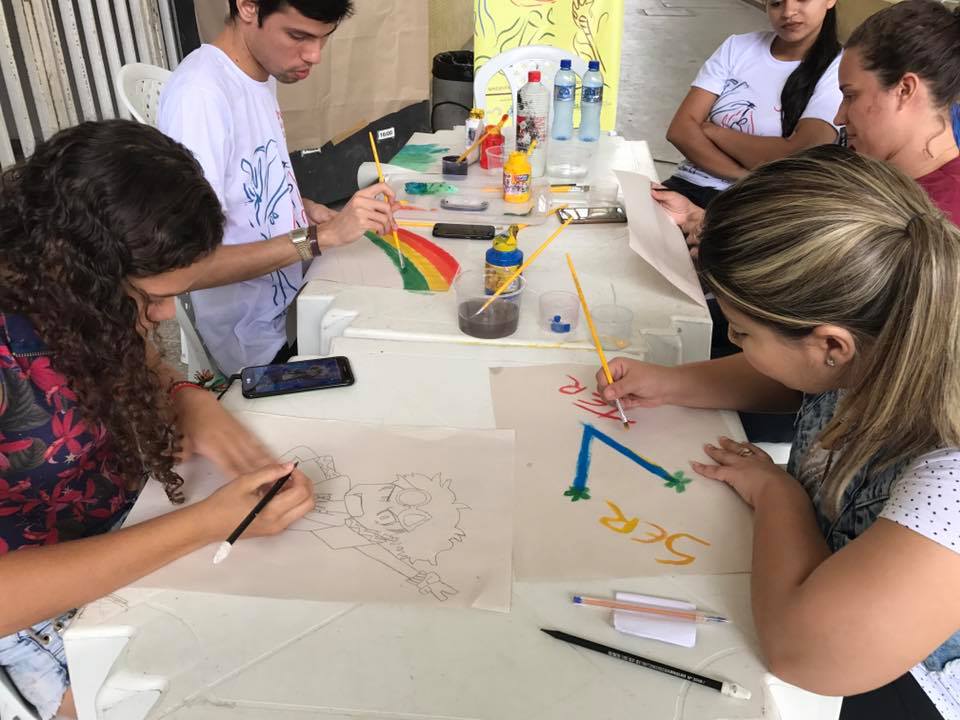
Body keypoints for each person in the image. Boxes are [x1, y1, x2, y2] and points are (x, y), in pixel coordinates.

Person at [601, 146, 960, 720]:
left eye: (741, 332)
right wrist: (670, 383)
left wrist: (777, 493)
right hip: (828, 579)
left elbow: (809, 656)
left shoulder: (950, 478)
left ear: (831, 344)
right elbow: (802, 379)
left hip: (908, 674)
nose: (735, 343)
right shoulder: (886, 330)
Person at [0, 120, 315, 720]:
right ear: (79, 272)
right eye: (151, 299)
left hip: (129, 523)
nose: (167, 316)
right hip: (34, 602)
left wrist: (184, 394)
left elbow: (134, 351)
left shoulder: (77, 300)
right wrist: (203, 525)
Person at [159, 0, 399, 376]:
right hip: (257, 347)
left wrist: (300, 205)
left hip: (296, 299)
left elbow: (243, 184)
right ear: (248, 7)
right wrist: (318, 237)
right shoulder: (200, 98)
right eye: (298, 36)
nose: (314, 55)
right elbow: (185, 267)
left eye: (324, 38)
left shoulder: (260, 71)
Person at [657, 0, 960, 249]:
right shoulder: (870, 180)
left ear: (904, 90)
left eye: (850, 96)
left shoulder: (939, 220)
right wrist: (700, 219)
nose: (839, 118)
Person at [662, 0, 843, 208]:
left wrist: (713, 131)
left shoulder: (840, 68)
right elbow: (680, 131)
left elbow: (797, 158)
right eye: (776, 3)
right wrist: (742, 175)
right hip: (688, 183)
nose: (788, 12)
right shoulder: (737, 47)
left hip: (756, 203)